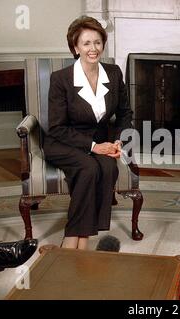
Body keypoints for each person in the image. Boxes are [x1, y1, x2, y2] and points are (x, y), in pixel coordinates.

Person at [43, 16, 132, 250]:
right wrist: (94, 147)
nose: (93, 49)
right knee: (90, 167)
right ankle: (74, 238)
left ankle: (81, 239)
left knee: (107, 167)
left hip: (101, 141)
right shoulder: (61, 79)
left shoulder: (113, 73)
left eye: (97, 42)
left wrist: (118, 140)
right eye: (86, 43)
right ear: (75, 47)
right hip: (63, 142)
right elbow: (57, 127)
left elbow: (125, 113)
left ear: (103, 43)